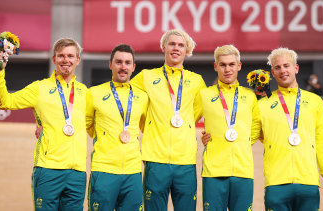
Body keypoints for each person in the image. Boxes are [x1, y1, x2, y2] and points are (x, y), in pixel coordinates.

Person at [0, 38, 88, 210]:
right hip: (47, 169)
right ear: (54, 59)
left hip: (77, 172)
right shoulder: (39, 88)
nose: (66, 60)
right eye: (61, 56)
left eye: (71, 56)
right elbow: (5, 102)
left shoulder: (85, 92)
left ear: (78, 60)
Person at [130, 29, 206, 211]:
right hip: (155, 160)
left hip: (186, 161)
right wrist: (149, 124)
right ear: (163, 47)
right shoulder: (145, 77)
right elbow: (131, 106)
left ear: (187, 50)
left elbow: (195, 113)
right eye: (171, 44)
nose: (176, 48)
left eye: (181, 45)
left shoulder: (197, 81)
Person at [257, 47, 323, 210]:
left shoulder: (315, 101)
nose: (282, 70)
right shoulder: (261, 105)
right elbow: (246, 136)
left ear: (296, 68)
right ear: (272, 72)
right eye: (277, 67)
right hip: (276, 183)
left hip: (308, 183)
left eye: (286, 66)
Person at [86, 44, 148, 211]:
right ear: (110, 65)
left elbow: (149, 127)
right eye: (118, 62)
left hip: (133, 172)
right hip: (103, 170)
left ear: (133, 67)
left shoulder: (142, 97)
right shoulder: (93, 93)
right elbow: (84, 124)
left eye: (127, 63)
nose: (123, 67)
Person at [199, 44, 260, 211]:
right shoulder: (204, 94)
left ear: (239, 66)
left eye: (232, 64)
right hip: (213, 172)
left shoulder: (250, 96)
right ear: (216, 66)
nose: (227, 69)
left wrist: (244, 141)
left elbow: (257, 125)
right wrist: (201, 137)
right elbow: (186, 119)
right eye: (223, 64)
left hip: (243, 171)